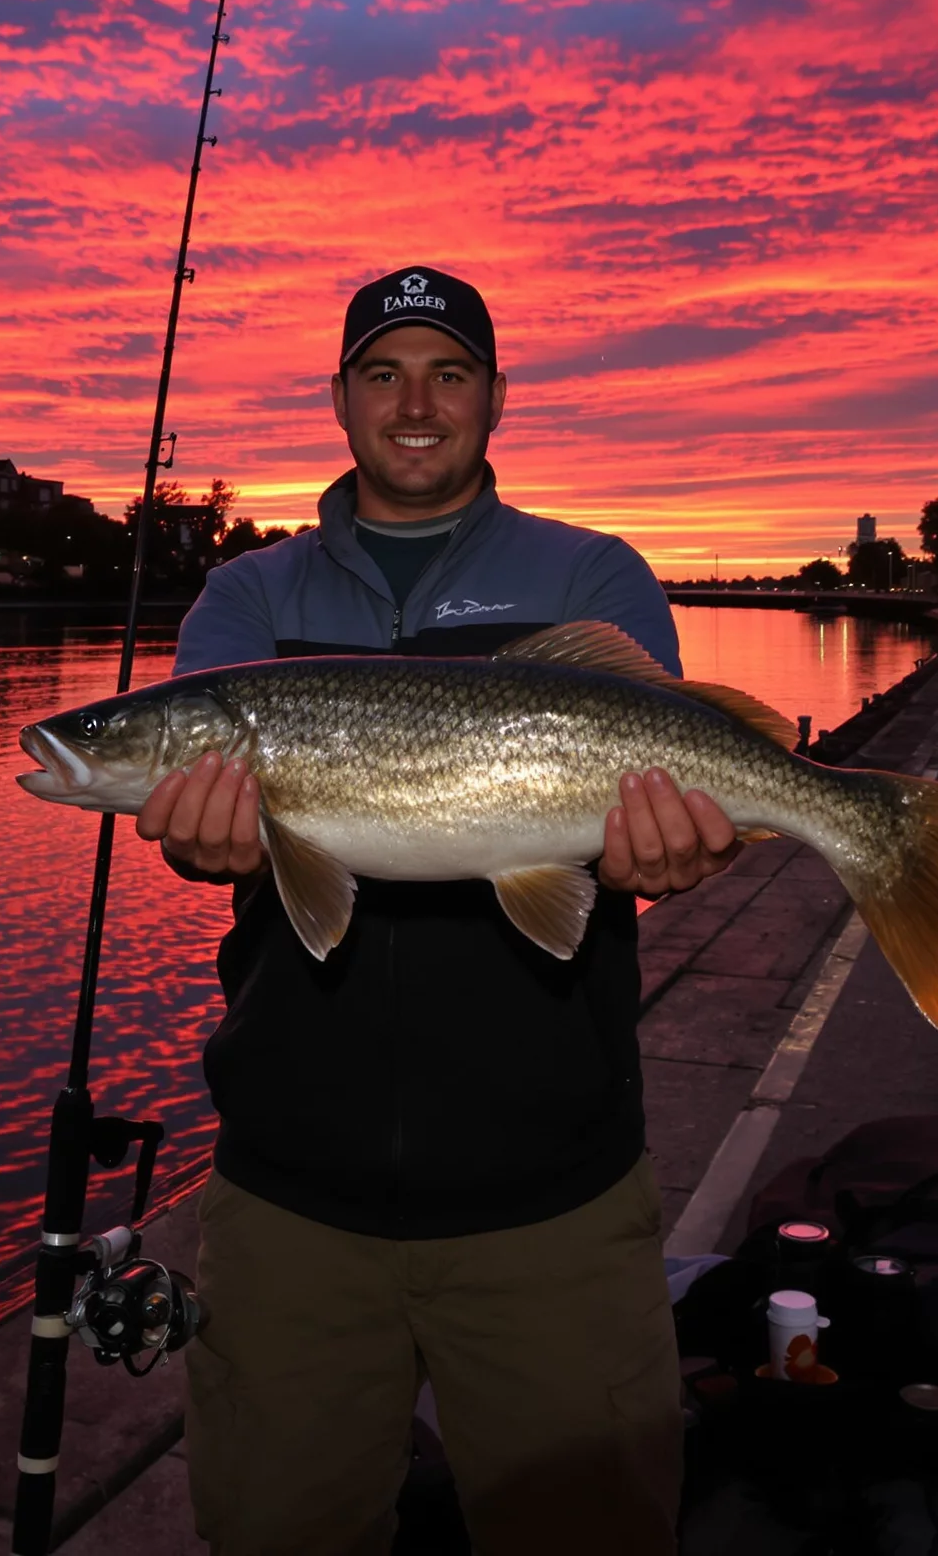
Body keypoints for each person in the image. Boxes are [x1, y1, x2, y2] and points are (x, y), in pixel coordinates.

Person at [137, 267, 742, 1556]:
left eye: (448, 373)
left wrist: (667, 849)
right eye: (384, 373)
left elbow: (658, 808)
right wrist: (201, 838)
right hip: (290, 1194)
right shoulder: (249, 597)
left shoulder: (593, 573)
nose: (415, 404)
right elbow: (214, 835)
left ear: (496, 397)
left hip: (556, 1192)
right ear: (340, 398)